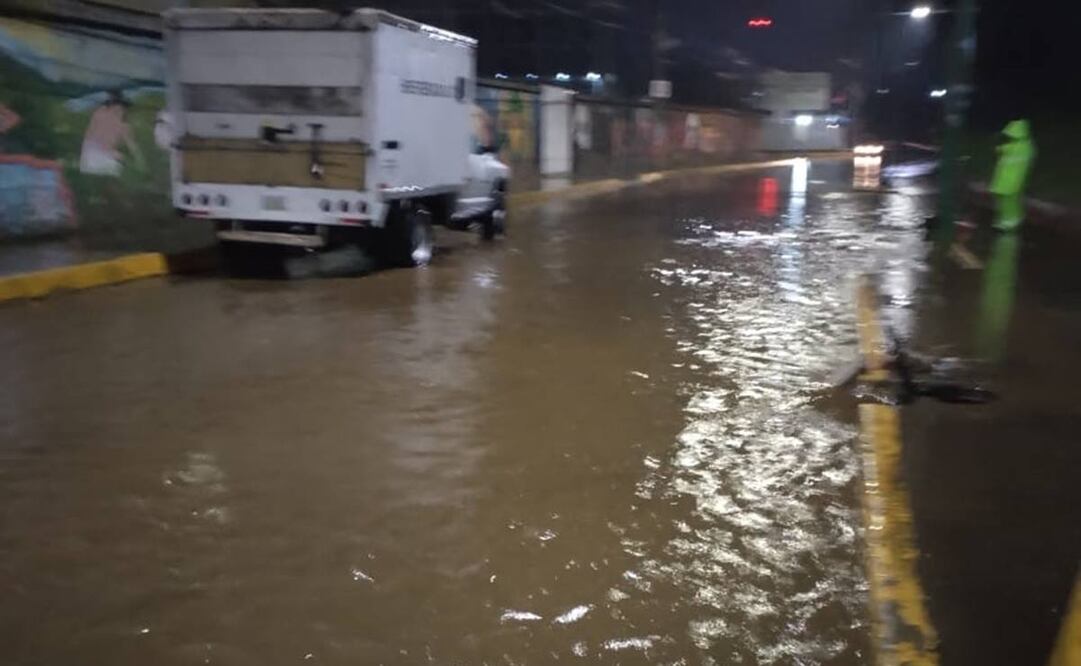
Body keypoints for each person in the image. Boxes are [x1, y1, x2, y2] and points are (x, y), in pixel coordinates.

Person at [989, 119, 1035, 232]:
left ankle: (1010, 221)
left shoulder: (1017, 147)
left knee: (1008, 201)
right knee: (1009, 200)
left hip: (1010, 180)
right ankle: (1011, 218)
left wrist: (998, 144)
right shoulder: (1026, 146)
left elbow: (1000, 150)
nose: (1009, 137)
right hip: (1009, 179)